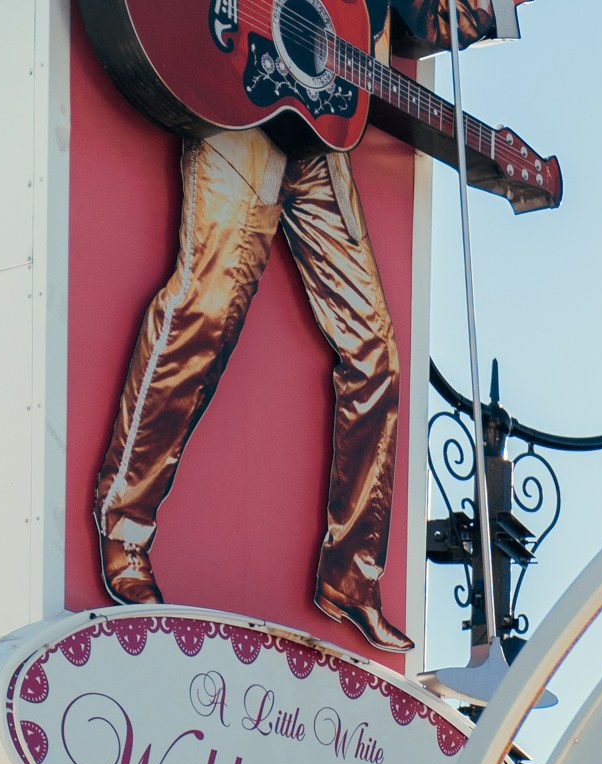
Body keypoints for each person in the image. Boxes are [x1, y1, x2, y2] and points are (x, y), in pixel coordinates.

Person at [92, 2, 515, 649]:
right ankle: (124, 527)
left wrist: (486, 11)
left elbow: (428, 21)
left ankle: (352, 576)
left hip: (318, 134)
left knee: (376, 354)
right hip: (243, 103)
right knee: (206, 308)